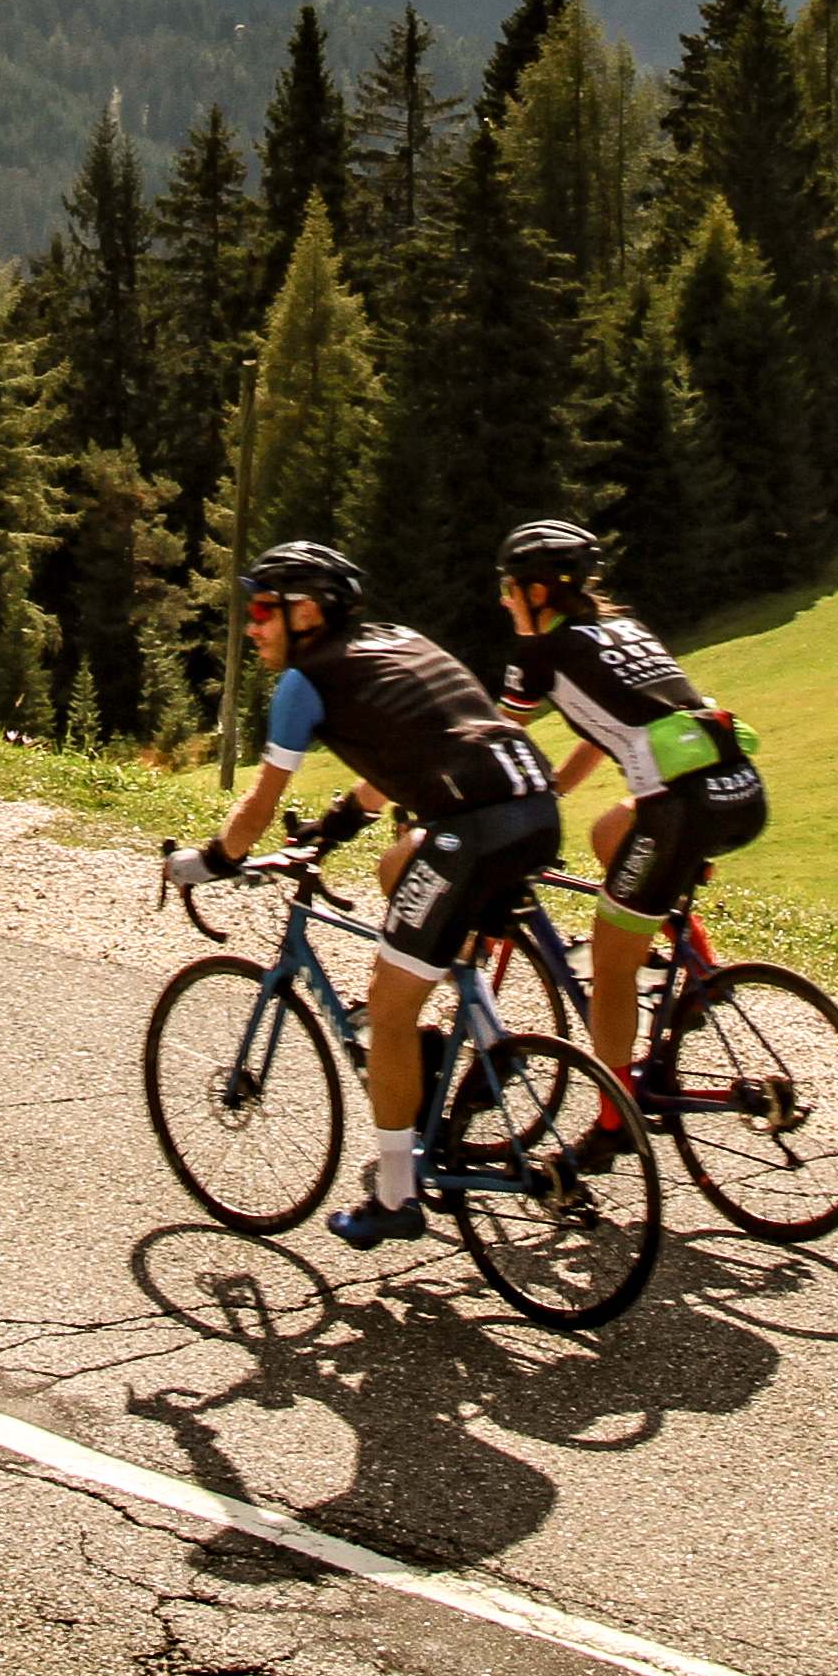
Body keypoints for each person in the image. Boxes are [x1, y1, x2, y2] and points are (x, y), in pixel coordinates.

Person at [167, 542, 564, 1252]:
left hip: (473, 828)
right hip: (535, 810)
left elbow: (259, 805)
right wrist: (339, 823)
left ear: (306, 612)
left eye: (262, 610)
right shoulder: (398, 642)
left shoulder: (304, 682)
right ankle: (486, 1046)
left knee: (388, 1004)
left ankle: (395, 1196)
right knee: (397, 868)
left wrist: (211, 861)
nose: (252, 626)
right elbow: (418, 742)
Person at [491, 519, 766, 1161]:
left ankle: (614, 1125)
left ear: (536, 592)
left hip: (682, 809)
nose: (503, 600)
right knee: (610, 832)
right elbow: (606, 727)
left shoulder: (537, 656)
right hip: (741, 789)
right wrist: (554, 790)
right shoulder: (623, 630)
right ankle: (700, 972)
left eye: (508, 588)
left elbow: (493, 741)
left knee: (613, 968)